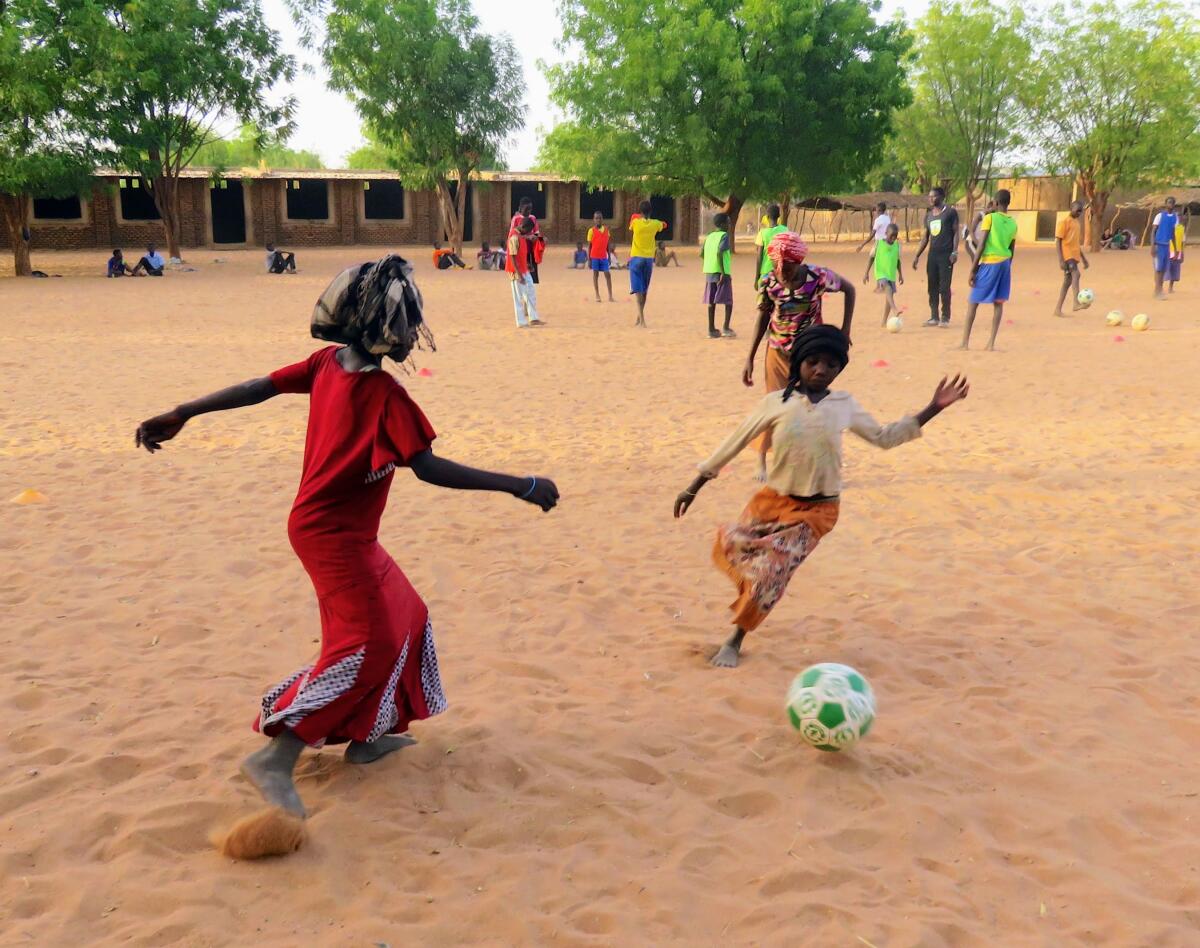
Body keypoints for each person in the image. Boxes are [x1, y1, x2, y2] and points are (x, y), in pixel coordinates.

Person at [133, 255, 559, 817]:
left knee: (407, 615)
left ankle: (368, 736)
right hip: (330, 535)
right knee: (365, 644)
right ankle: (277, 759)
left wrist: (186, 411)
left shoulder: (329, 364)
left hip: (340, 532)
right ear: (379, 328)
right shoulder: (383, 395)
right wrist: (520, 484)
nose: (413, 335)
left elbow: (260, 387)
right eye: (407, 323)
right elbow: (427, 468)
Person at [674, 324, 969, 668]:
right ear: (798, 362)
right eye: (813, 361)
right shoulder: (775, 404)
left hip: (817, 511)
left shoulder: (843, 405)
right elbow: (734, 443)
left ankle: (735, 639)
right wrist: (694, 485)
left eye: (830, 365)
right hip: (772, 502)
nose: (820, 370)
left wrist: (933, 407)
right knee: (737, 548)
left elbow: (884, 437)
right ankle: (749, 601)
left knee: (773, 572)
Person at [743, 231, 855, 480]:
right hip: (777, 351)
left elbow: (850, 289)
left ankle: (810, 462)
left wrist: (845, 329)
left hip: (809, 356)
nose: (783, 272)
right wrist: (749, 357)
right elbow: (763, 316)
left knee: (808, 408)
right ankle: (762, 459)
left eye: (789, 267)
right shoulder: (769, 281)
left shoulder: (818, 277)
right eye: (778, 266)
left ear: (799, 261)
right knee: (774, 406)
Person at [960, 188, 1017, 351]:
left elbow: (982, 243)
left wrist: (973, 269)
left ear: (996, 203)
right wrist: (1007, 267)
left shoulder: (990, 218)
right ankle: (991, 343)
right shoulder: (1013, 222)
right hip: (1005, 264)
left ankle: (965, 343)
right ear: (1008, 203)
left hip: (990, 262)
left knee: (973, 302)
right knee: (998, 303)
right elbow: (1012, 249)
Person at [911, 187, 960, 327]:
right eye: (929, 196)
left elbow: (956, 232)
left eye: (934, 196)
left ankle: (945, 317)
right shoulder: (929, 215)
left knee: (944, 287)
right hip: (932, 255)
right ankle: (934, 317)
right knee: (932, 286)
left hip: (946, 256)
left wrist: (955, 251)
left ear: (942, 196)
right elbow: (925, 238)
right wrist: (917, 255)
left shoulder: (950, 212)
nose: (931, 199)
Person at [628, 200, 667, 327]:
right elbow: (664, 225)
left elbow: (631, 224)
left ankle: (642, 320)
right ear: (650, 211)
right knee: (644, 290)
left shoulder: (635, 222)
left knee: (638, 291)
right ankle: (639, 318)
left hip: (636, 258)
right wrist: (657, 222)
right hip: (648, 259)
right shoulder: (655, 224)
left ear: (640, 211)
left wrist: (639, 216)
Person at [506, 215, 545, 328]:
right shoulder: (514, 237)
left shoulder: (521, 235)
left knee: (530, 292)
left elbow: (521, 254)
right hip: (515, 271)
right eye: (528, 230)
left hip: (523, 268)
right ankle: (521, 322)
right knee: (518, 297)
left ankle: (533, 318)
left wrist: (527, 264)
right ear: (523, 226)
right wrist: (519, 275)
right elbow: (512, 257)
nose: (528, 233)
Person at [1053, 200, 1090, 317]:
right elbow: (1058, 241)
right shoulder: (1064, 222)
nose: (1079, 213)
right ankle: (1076, 302)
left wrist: (1084, 259)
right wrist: (1060, 260)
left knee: (1067, 282)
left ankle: (1057, 310)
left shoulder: (1076, 223)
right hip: (1067, 255)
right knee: (1076, 274)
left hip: (1074, 255)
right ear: (1071, 208)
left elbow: (1076, 244)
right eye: (1077, 210)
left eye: (1081, 212)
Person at [862, 222, 903, 325]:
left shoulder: (897, 246)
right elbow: (871, 258)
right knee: (887, 288)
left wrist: (901, 275)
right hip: (880, 273)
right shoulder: (878, 244)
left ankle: (884, 321)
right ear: (886, 233)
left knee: (889, 298)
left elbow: (898, 261)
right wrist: (866, 273)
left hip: (891, 274)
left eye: (895, 236)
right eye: (891, 236)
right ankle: (895, 309)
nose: (893, 238)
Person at [702, 212, 735, 339]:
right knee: (728, 301)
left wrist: (709, 264)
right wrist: (722, 271)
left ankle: (711, 329)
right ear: (722, 224)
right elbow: (720, 251)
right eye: (728, 222)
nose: (729, 224)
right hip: (722, 273)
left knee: (711, 301)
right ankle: (726, 328)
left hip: (709, 271)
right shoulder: (724, 236)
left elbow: (702, 253)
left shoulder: (709, 236)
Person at [754, 204, 789, 289]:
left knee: (764, 300)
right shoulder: (785, 230)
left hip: (766, 272)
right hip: (781, 273)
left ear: (767, 217)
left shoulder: (762, 233)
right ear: (779, 216)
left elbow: (759, 257)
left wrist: (757, 278)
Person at [1152, 197, 1180, 299]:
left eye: (1172, 203)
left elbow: (1173, 234)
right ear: (1165, 204)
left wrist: (1176, 249)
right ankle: (1157, 291)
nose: (1170, 204)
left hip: (1167, 246)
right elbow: (1153, 232)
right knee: (1158, 269)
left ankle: (1160, 290)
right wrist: (1152, 246)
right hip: (1159, 245)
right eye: (1169, 202)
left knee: (1163, 269)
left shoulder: (1175, 218)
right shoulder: (1159, 216)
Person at [586, 211, 614, 302]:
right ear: (594, 220)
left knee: (607, 274)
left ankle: (610, 295)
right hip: (594, 256)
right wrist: (589, 259)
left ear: (602, 219)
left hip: (603, 256)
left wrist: (609, 256)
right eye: (596, 218)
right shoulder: (591, 231)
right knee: (596, 274)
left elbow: (607, 245)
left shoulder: (606, 230)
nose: (598, 220)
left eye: (600, 218)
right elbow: (589, 246)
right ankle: (597, 295)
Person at [1168, 216, 1185, 292]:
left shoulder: (1182, 228)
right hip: (1170, 251)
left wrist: (1182, 253)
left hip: (1178, 251)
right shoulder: (1172, 227)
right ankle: (1160, 287)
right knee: (1167, 269)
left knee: (1175, 270)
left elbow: (1182, 242)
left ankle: (1170, 287)